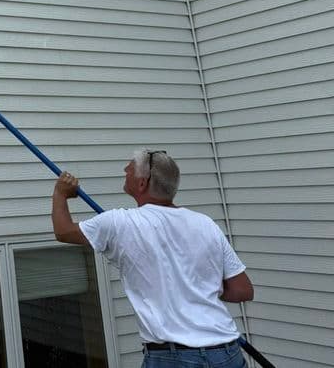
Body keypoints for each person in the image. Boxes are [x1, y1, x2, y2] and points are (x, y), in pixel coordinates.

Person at [51, 148, 254, 368]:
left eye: (129, 168)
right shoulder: (205, 224)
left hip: (173, 357)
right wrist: (195, 288)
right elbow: (242, 289)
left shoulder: (120, 223)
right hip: (226, 352)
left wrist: (61, 193)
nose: (124, 170)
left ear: (142, 183)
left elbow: (63, 231)